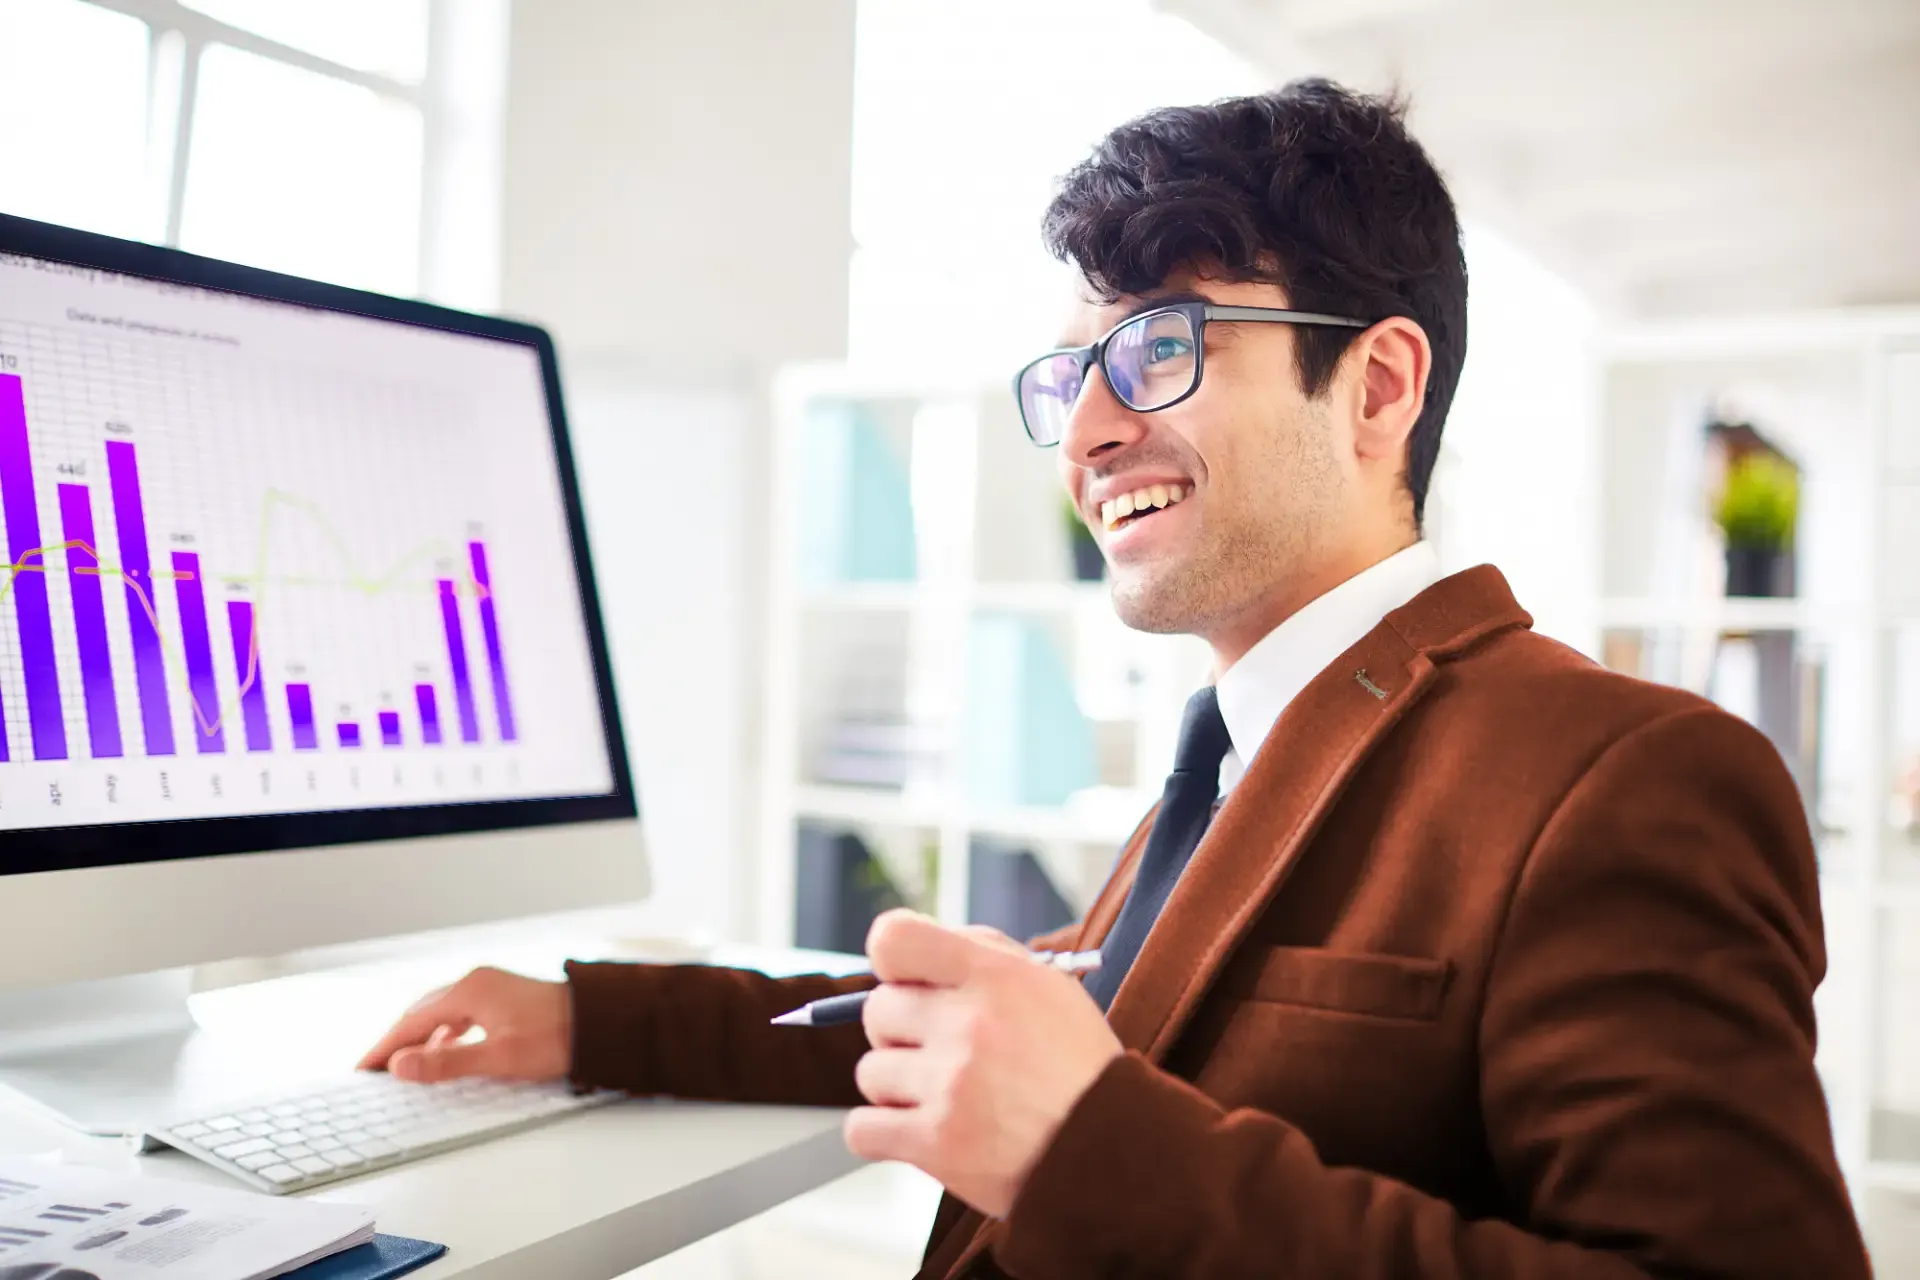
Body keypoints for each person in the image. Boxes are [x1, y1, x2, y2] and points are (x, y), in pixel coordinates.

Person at [362, 79, 1870, 1278]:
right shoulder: (1237, 752)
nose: (1086, 432)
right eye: (1071, 373)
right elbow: (1024, 1021)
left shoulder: (1627, 775)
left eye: (1158, 349)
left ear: (1379, 385)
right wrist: (592, 1020)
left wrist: (1087, 1146)